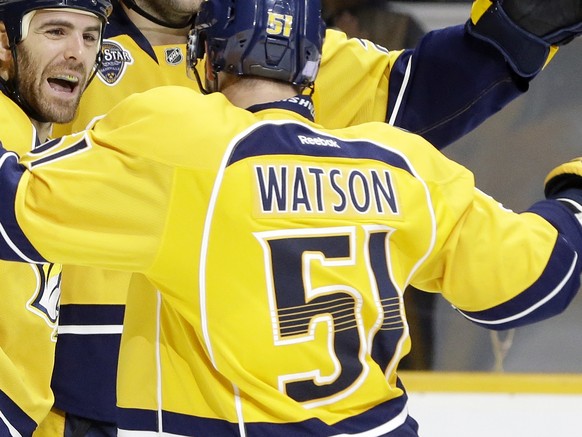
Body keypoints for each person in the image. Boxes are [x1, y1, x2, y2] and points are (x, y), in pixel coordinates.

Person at [2, 0, 582, 434]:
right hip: (84, 397)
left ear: (209, 62)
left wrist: (513, 34)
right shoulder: (67, 28)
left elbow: (414, 90)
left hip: (177, 410)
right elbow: (537, 275)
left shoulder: (224, 58)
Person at [0, 0, 111, 435]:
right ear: (5, 43)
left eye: (89, 37)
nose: (77, 53)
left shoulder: (34, 145)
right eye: (55, 31)